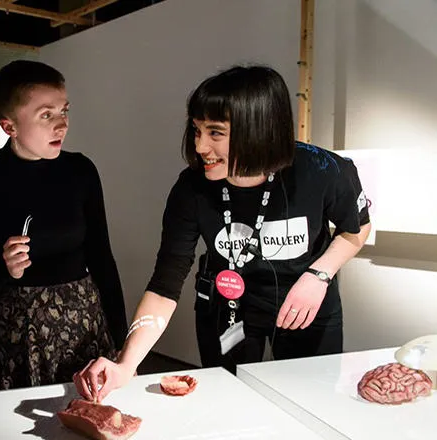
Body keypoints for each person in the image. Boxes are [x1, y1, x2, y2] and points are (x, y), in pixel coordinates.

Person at [74, 65, 371, 402]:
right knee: (230, 400)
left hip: (306, 303)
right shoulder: (191, 189)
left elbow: (356, 229)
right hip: (228, 307)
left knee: (312, 399)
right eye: (197, 129)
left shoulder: (323, 170)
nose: (200, 146)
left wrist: (319, 274)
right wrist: (126, 364)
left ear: (259, 130)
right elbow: (164, 286)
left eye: (215, 132)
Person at [0, 60, 128, 392]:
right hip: (14, 338)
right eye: (46, 115)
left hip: (83, 328)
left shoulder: (80, 171)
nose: (62, 125)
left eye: (64, 111)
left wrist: (123, 348)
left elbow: (102, 260)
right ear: (9, 125)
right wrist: (0, 268)